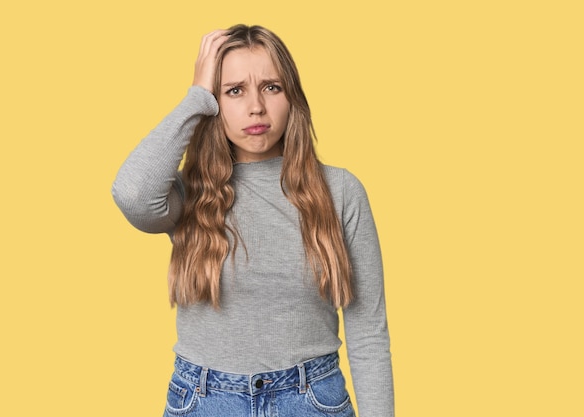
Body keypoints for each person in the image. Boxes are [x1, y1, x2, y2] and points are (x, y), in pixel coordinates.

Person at [112, 24, 394, 417]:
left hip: (312, 400)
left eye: (271, 87)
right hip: (205, 399)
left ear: (291, 96)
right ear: (216, 101)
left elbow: (368, 333)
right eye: (234, 90)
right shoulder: (190, 192)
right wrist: (195, 96)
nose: (256, 107)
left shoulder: (341, 192)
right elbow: (131, 194)